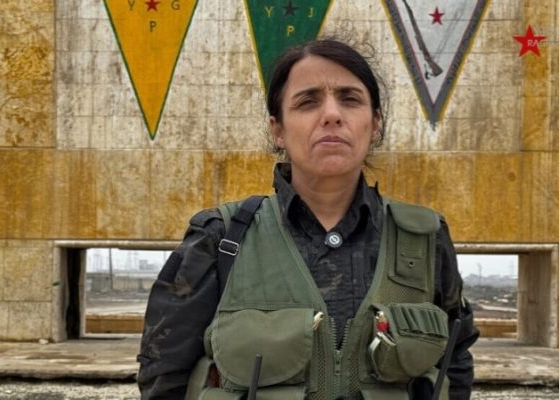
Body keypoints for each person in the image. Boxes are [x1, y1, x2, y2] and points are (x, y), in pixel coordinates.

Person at [137, 39, 479, 400]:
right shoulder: (220, 239)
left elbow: (454, 362)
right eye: (307, 102)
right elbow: (163, 375)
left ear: (375, 123)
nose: (332, 114)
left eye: (350, 99)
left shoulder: (425, 239)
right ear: (278, 130)